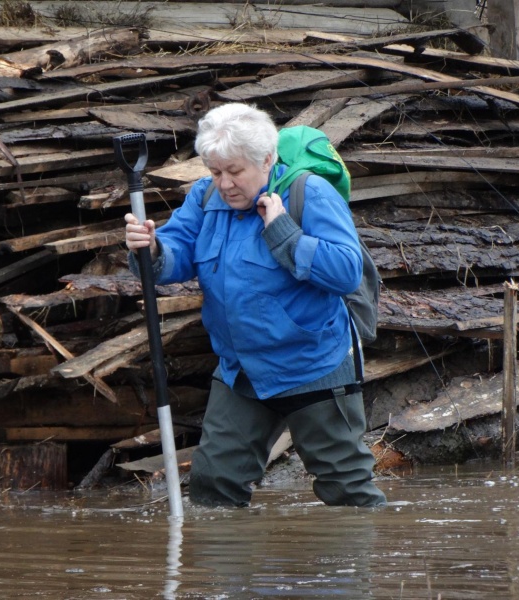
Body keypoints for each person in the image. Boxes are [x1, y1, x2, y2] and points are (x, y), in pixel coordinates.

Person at [124, 103, 386, 508]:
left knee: (347, 490)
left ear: (267, 160)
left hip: (312, 365)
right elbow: (178, 253)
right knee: (214, 486)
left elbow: (346, 271)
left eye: (235, 171)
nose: (225, 184)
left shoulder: (308, 193)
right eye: (216, 171)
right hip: (241, 370)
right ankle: (231, 568)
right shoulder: (205, 196)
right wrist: (153, 248)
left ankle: (352, 569)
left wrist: (283, 232)